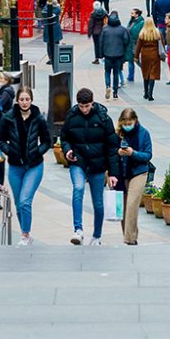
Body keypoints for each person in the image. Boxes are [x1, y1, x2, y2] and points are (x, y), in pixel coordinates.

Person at [61, 88, 121, 245]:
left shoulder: (103, 118)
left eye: (87, 106)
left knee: (98, 202)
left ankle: (97, 235)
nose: (84, 109)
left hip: (98, 164)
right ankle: (78, 230)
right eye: (81, 106)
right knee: (78, 188)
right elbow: (64, 137)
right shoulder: (72, 116)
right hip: (78, 161)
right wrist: (67, 151)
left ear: (92, 103)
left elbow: (112, 146)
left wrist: (113, 173)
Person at [0, 87, 51, 245]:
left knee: (25, 200)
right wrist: (10, 152)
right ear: (17, 101)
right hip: (15, 166)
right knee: (18, 204)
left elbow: (48, 141)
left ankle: (25, 235)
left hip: (34, 166)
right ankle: (25, 232)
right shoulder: (8, 118)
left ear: (31, 100)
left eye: (27, 99)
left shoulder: (39, 118)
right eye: (22, 99)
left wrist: (37, 152)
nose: (25, 102)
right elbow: (0, 140)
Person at [117, 107, 153, 245]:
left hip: (139, 171)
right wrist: (118, 152)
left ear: (135, 120)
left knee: (132, 204)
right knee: (123, 207)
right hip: (122, 172)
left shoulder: (143, 133)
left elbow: (148, 154)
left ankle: (130, 239)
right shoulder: (118, 134)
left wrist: (133, 153)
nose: (127, 126)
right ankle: (129, 234)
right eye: (124, 124)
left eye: (129, 123)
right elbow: (110, 150)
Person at [101, 10, 131, 100]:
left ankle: (107, 86)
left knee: (107, 72)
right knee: (116, 73)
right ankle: (115, 92)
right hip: (119, 55)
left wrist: (101, 53)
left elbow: (100, 42)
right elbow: (126, 41)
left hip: (108, 55)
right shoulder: (122, 29)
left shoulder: (105, 29)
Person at [136, 17, 165, 101]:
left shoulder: (142, 33)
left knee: (146, 73)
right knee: (153, 73)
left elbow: (138, 46)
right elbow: (162, 44)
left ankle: (145, 92)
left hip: (145, 54)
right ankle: (150, 94)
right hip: (155, 55)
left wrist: (136, 57)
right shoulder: (157, 32)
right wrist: (162, 56)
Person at [125, 8, 144, 84]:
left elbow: (137, 32)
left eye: (133, 13)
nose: (131, 15)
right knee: (130, 60)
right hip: (130, 44)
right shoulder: (131, 21)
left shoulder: (141, 22)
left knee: (138, 60)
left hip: (136, 44)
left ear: (137, 14)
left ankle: (146, 73)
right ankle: (130, 76)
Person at [42, 0, 63, 66]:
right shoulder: (58, 9)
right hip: (56, 28)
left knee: (49, 44)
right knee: (56, 43)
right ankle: (55, 56)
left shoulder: (46, 10)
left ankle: (51, 57)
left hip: (48, 28)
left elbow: (44, 14)